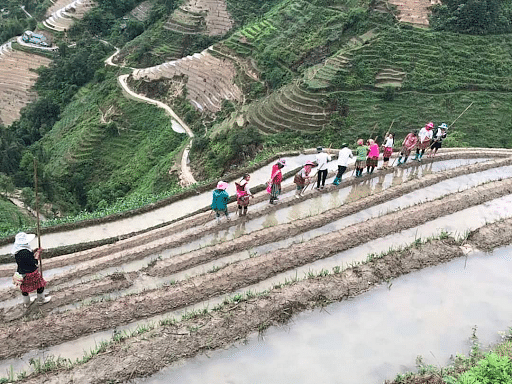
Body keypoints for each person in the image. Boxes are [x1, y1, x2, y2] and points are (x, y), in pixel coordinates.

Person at [12, 232, 51, 307]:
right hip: (30, 273)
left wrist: (33, 252)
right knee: (40, 285)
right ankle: (41, 300)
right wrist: (37, 255)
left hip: (21, 273)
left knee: (24, 289)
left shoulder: (17, 251)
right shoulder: (26, 252)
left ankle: (27, 303)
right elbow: (34, 263)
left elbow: (25, 259)